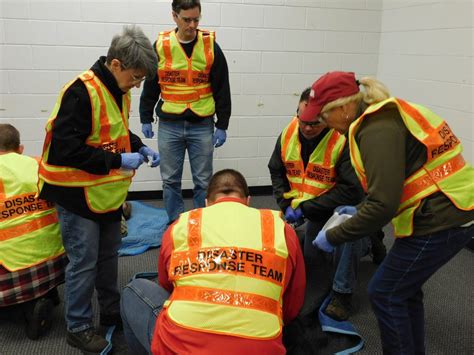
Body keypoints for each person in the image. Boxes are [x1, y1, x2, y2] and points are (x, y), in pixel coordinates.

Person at [307, 71, 474, 354]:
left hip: (443, 215)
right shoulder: (380, 118)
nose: (322, 124)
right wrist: (360, 208)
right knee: (405, 292)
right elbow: (390, 190)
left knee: (385, 292)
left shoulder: (376, 129)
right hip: (445, 208)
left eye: (323, 116)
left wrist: (333, 236)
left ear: (345, 107)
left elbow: (383, 206)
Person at [37, 26, 160, 354]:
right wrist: (118, 159)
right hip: (74, 195)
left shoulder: (119, 89)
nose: (137, 84)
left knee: (108, 257)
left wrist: (139, 146)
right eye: (135, 77)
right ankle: (77, 326)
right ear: (116, 64)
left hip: (104, 195)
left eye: (141, 80)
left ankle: (109, 312)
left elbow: (115, 131)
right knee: (84, 261)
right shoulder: (80, 92)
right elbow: (65, 149)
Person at [120, 169, 305, 354]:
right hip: (260, 348)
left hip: (181, 347)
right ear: (248, 201)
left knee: (133, 290)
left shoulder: (181, 226)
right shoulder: (281, 230)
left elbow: (167, 286)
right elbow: (291, 306)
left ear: (206, 203)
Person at [268, 88, 373, 321]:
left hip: (343, 209)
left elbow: (352, 191)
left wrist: (306, 208)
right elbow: (276, 170)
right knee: (313, 260)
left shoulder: (343, 139)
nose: (306, 128)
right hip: (311, 208)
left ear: (326, 118)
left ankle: (342, 294)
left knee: (349, 234)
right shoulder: (289, 133)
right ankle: (361, 242)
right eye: (302, 120)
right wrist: (284, 203)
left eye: (314, 124)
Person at [140, 0, 231, 224]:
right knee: (170, 180)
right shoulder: (161, 45)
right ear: (174, 16)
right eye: (187, 19)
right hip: (169, 125)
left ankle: (202, 225)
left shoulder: (210, 46)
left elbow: (222, 87)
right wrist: (145, 117)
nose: (192, 25)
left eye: (196, 20)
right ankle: (175, 225)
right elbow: (151, 84)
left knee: (203, 180)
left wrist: (222, 125)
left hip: (202, 123)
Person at [0, 123, 67, 340]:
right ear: (20, 148)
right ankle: (47, 291)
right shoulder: (41, 165)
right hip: (57, 259)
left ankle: (24, 308)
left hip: (11, 267)